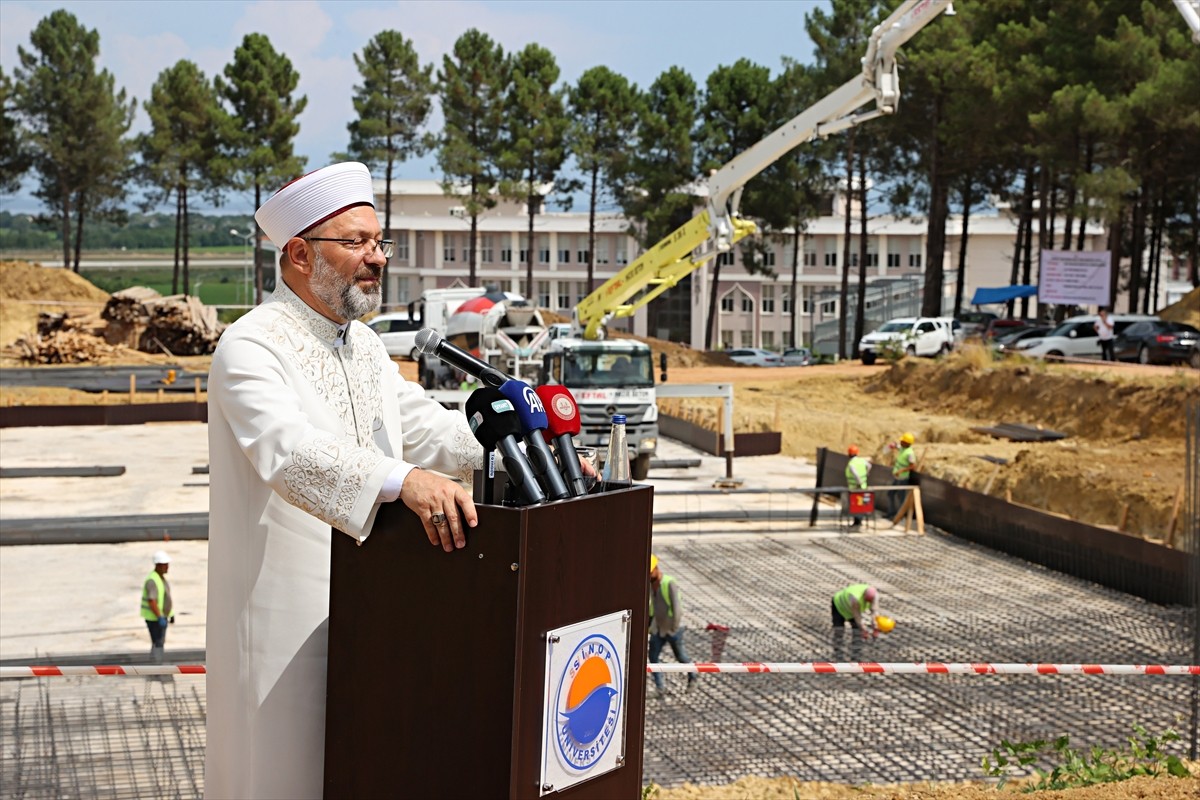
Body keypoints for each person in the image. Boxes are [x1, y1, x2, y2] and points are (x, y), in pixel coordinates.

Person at [204, 162, 487, 800]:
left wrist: (522, 446)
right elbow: (287, 452)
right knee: (284, 779)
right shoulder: (251, 346)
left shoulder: (362, 347)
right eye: (356, 242)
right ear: (300, 253)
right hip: (284, 633)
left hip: (375, 611)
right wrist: (404, 481)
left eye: (378, 242)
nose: (376, 258)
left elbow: (429, 430)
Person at [648, 553, 697, 697]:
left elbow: (677, 608)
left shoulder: (669, 583)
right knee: (653, 658)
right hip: (658, 629)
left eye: (650, 571)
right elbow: (652, 606)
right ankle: (660, 688)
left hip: (673, 630)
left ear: (656, 568)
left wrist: (674, 628)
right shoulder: (651, 585)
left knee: (681, 657)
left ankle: (693, 678)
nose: (649, 574)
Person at [140, 550, 174, 663]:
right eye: (165, 564)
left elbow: (165, 598)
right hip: (154, 619)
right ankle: (156, 666)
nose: (167, 567)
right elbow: (152, 601)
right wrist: (160, 617)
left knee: (159, 643)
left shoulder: (160, 578)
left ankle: (156, 665)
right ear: (158, 565)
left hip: (161, 617)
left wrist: (171, 614)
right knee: (158, 643)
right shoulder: (152, 580)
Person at [888, 432, 916, 518]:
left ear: (907, 443)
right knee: (890, 494)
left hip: (903, 478)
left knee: (901, 497)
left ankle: (899, 515)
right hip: (897, 477)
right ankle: (891, 513)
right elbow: (898, 447)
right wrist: (894, 445)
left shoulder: (910, 453)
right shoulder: (903, 449)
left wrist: (902, 470)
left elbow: (913, 466)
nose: (901, 442)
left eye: (902, 441)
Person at [844, 444, 870, 529]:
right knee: (861, 504)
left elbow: (855, 474)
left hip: (855, 488)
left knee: (855, 505)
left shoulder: (851, 463)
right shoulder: (862, 460)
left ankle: (857, 521)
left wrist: (859, 482)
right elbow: (869, 466)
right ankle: (859, 521)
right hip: (863, 486)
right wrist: (866, 474)